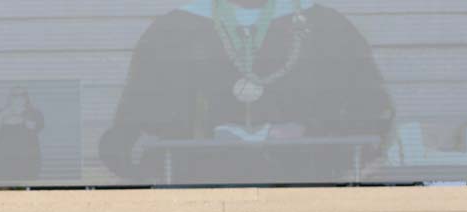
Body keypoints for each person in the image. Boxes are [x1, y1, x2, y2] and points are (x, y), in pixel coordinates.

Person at [98, 0, 392, 184]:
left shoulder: (328, 28)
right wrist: (200, 137)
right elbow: (134, 132)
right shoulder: (172, 31)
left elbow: (370, 115)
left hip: (305, 186)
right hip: (201, 192)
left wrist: (309, 130)